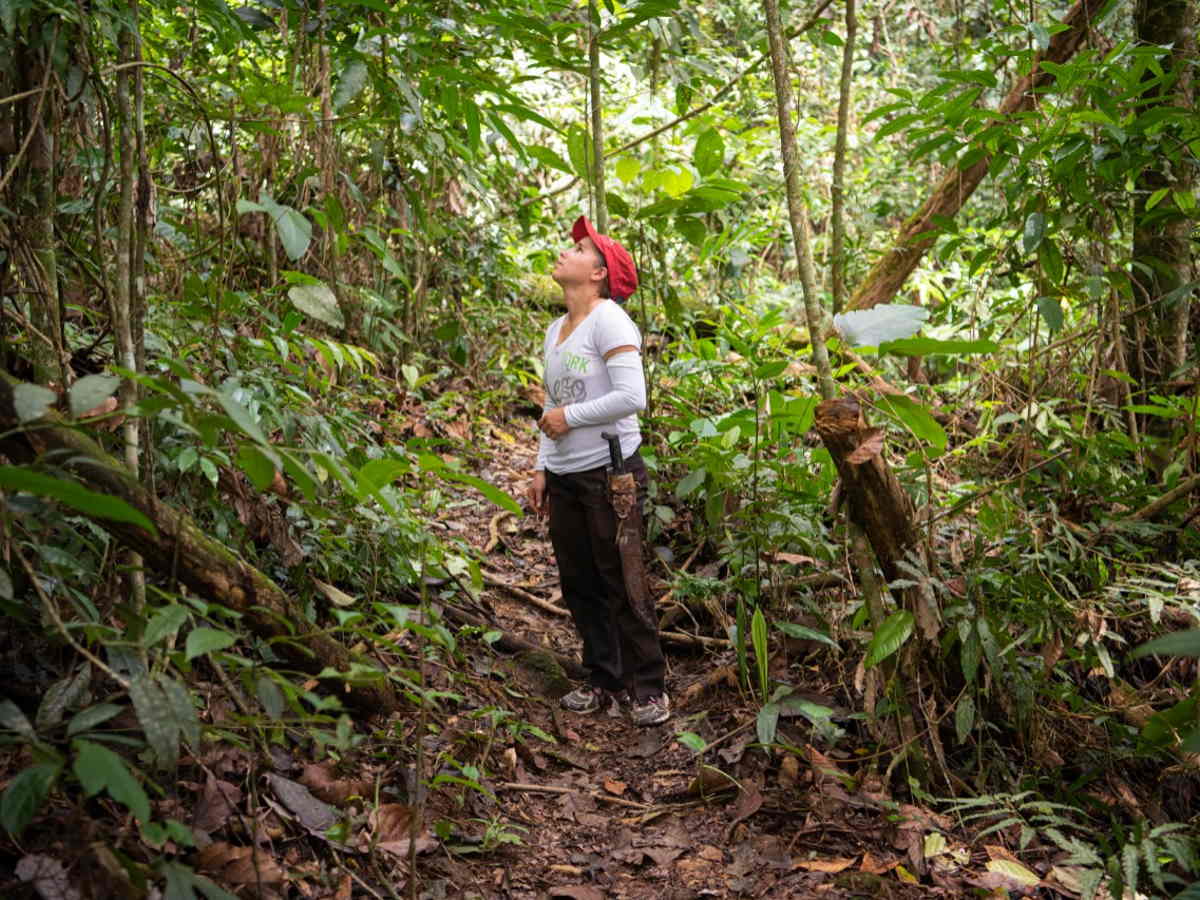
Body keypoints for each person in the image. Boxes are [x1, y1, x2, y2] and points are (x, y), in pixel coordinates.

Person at [527, 215, 669, 727]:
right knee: (579, 581)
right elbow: (551, 400)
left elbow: (634, 397)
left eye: (581, 249)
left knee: (623, 579)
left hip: (610, 473)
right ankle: (604, 680)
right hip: (565, 474)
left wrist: (570, 418)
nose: (567, 251)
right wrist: (542, 464)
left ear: (599, 274)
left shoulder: (610, 320)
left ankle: (648, 687)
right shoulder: (555, 329)